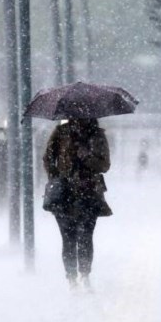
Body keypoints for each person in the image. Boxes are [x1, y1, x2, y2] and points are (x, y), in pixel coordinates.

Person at [43, 118, 112, 289]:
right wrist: (56, 177)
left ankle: (85, 274)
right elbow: (48, 158)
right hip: (64, 194)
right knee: (68, 238)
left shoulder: (97, 135)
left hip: (89, 192)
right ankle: (71, 277)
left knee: (86, 236)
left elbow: (104, 165)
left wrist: (87, 156)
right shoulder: (61, 132)